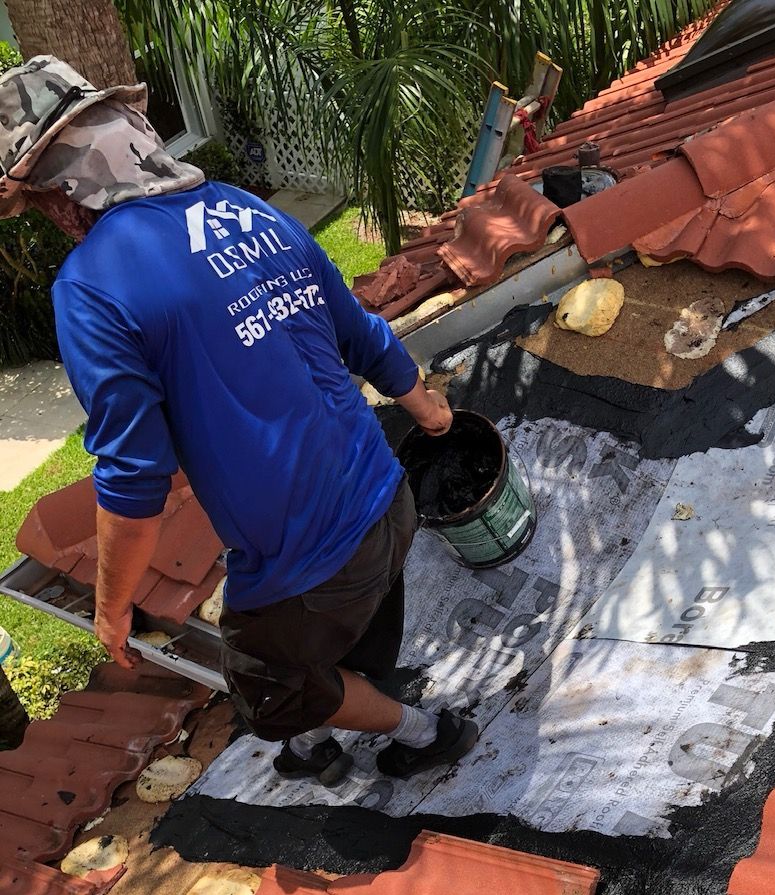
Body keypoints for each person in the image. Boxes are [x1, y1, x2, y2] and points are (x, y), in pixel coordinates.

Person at [0, 56, 479, 784]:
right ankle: (323, 738)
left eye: (38, 204)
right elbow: (359, 330)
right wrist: (426, 408)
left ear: (63, 192)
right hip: (387, 496)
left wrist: (112, 607)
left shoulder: (92, 284)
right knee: (349, 635)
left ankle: (426, 731)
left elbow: (135, 479)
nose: (48, 220)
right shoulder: (243, 207)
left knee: (270, 689)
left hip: (307, 558)